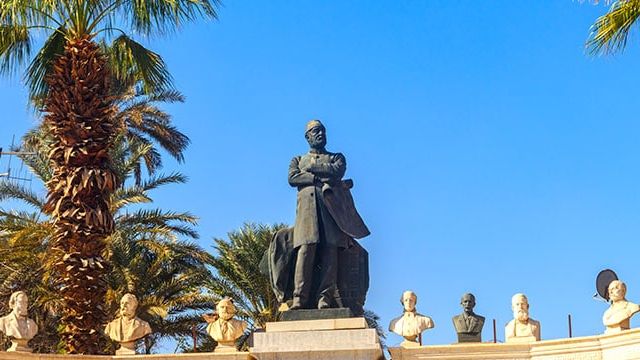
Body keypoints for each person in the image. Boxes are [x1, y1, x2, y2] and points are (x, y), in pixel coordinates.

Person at [288, 120, 369, 310]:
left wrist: (310, 170)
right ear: (307, 136)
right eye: (315, 131)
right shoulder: (297, 160)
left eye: (323, 131)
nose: (320, 134)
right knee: (305, 251)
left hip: (332, 212)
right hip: (307, 215)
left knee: (330, 252)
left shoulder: (336, 157)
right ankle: (299, 298)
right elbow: (292, 178)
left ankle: (324, 298)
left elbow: (337, 171)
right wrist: (318, 177)